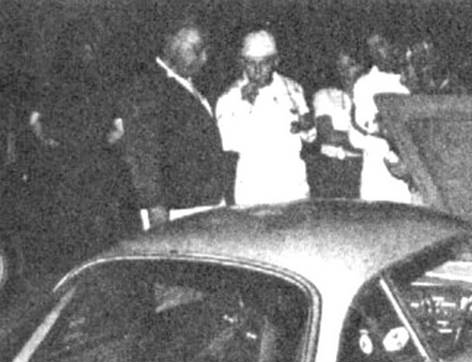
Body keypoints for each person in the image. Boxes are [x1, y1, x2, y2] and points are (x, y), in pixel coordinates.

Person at [28, 16, 137, 267]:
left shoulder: (52, 83)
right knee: (96, 233)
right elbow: (120, 129)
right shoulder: (104, 83)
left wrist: (52, 143)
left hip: (66, 168)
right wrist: (100, 146)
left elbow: (34, 122)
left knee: (69, 232)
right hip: (94, 167)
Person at [118, 18, 234, 231]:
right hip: (176, 211)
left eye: (206, 51)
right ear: (171, 44)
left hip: (200, 204)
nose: (204, 58)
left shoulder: (186, 82)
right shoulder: (149, 86)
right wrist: (155, 208)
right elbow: (143, 153)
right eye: (197, 50)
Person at [215, 29, 316, 206]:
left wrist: (307, 127)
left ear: (275, 61)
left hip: (293, 188)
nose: (257, 70)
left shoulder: (293, 89)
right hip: (253, 191)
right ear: (242, 63)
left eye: (264, 63)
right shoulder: (230, 97)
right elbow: (227, 143)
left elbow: (309, 137)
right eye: (251, 63)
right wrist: (244, 104)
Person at [351, 32, 412, 204]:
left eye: (381, 45)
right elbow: (363, 135)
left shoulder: (414, 79)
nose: (377, 53)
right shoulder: (365, 84)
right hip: (382, 181)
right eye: (371, 48)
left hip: (418, 179)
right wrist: (396, 160)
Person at [309, 48, 365, 199]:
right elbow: (328, 135)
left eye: (351, 65)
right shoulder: (324, 95)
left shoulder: (369, 97)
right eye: (341, 67)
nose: (345, 72)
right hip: (331, 169)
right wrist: (367, 142)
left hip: (361, 168)